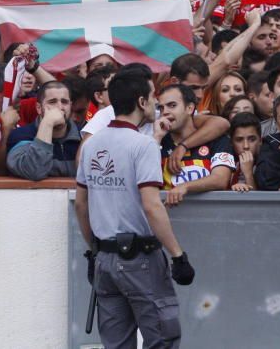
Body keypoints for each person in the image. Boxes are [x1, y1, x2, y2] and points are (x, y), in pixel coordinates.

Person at [75, 69, 193, 349]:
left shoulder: (91, 145)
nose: (157, 104)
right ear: (141, 102)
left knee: (116, 344)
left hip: (105, 257)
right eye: (154, 97)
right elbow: (152, 206)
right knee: (161, 339)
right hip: (141, 258)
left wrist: (94, 249)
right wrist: (178, 255)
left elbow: (81, 204)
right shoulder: (143, 146)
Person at [155, 84, 235, 206]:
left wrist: (185, 187)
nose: (165, 112)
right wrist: (157, 139)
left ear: (190, 108)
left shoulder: (218, 139)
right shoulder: (157, 142)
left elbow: (220, 179)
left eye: (172, 105)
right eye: (161, 108)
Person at [6, 81, 81, 180]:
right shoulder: (21, 136)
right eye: (52, 102)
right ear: (39, 108)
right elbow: (34, 171)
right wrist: (48, 123)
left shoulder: (83, 136)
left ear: (70, 106)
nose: (60, 107)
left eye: (64, 102)